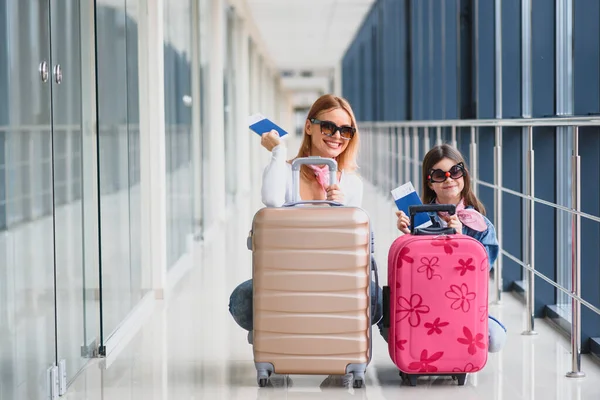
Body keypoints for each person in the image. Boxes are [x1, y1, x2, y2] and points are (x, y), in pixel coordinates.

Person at [228, 94, 383, 386]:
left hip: (334, 282)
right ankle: (282, 345)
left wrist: (341, 208)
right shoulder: (284, 170)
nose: (337, 136)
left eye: (345, 130)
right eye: (328, 127)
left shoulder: (350, 183)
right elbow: (271, 201)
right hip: (288, 279)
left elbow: (349, 253)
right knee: (241, 301)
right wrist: (278, 152)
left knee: (376, 299)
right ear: (309, 126)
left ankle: (328, 348)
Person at [395, 144, 507, 353]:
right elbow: (414, 274)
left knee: (495, 340)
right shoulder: (419, 220)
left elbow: (480, 275)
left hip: (463, 306)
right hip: (426, 303)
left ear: (464, 176)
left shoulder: (480, 226)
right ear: (430, 183)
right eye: (439, 175)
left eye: (455, 171)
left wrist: (462, 241)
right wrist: (410, 236)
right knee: (392, 325)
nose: (448, 179)